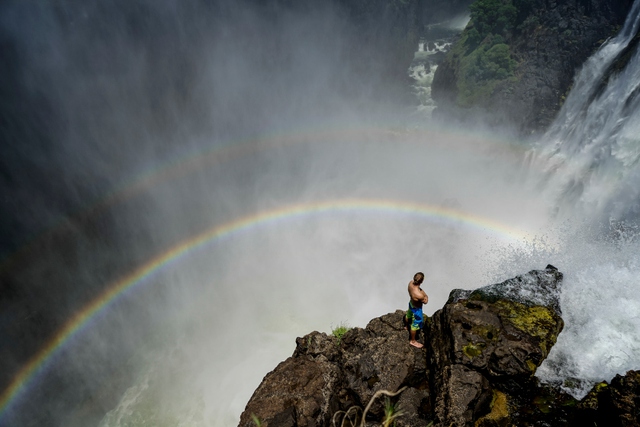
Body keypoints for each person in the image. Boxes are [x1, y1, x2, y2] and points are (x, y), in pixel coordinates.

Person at [404, 272, 428, 348]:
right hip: (417, 309)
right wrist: (426, 297)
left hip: (411, 304)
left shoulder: (410, 283)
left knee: (408, 315)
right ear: (422, 281)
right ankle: (413, 341)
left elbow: (422, 293)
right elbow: (425, 301)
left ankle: (406, 326)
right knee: (415, 324)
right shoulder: (419, 295)